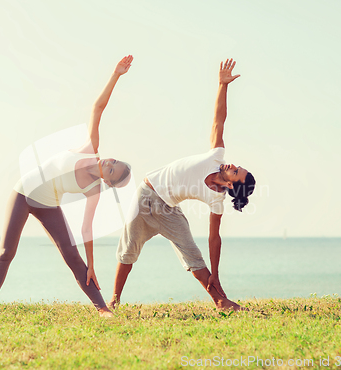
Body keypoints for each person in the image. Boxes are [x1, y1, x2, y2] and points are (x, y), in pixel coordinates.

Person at [0, 55, 134, 317]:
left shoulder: (94, 191)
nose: (109, 161)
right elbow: (98, 108)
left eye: (111, 168)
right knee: (6, 252)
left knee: (73, 258)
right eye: (114, 161)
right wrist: (116, 75)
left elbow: (86, 229)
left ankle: (102, 310)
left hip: (48, 205)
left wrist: (92, 265)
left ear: (107, 181)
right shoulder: (90, 149)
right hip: (24, 192)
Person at [109, 58, 255, 311]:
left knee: (192, 252)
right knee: (128, 250)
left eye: (236, 171)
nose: (232, 165)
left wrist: (216, 273)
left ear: (232, 186)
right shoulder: (216, 156)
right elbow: (219, 120)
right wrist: (223, 85)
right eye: (236, 166)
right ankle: (113, 300)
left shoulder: (217, 199)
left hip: (168, 210)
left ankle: (220, 300)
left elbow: (214, 238)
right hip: (146, 195)